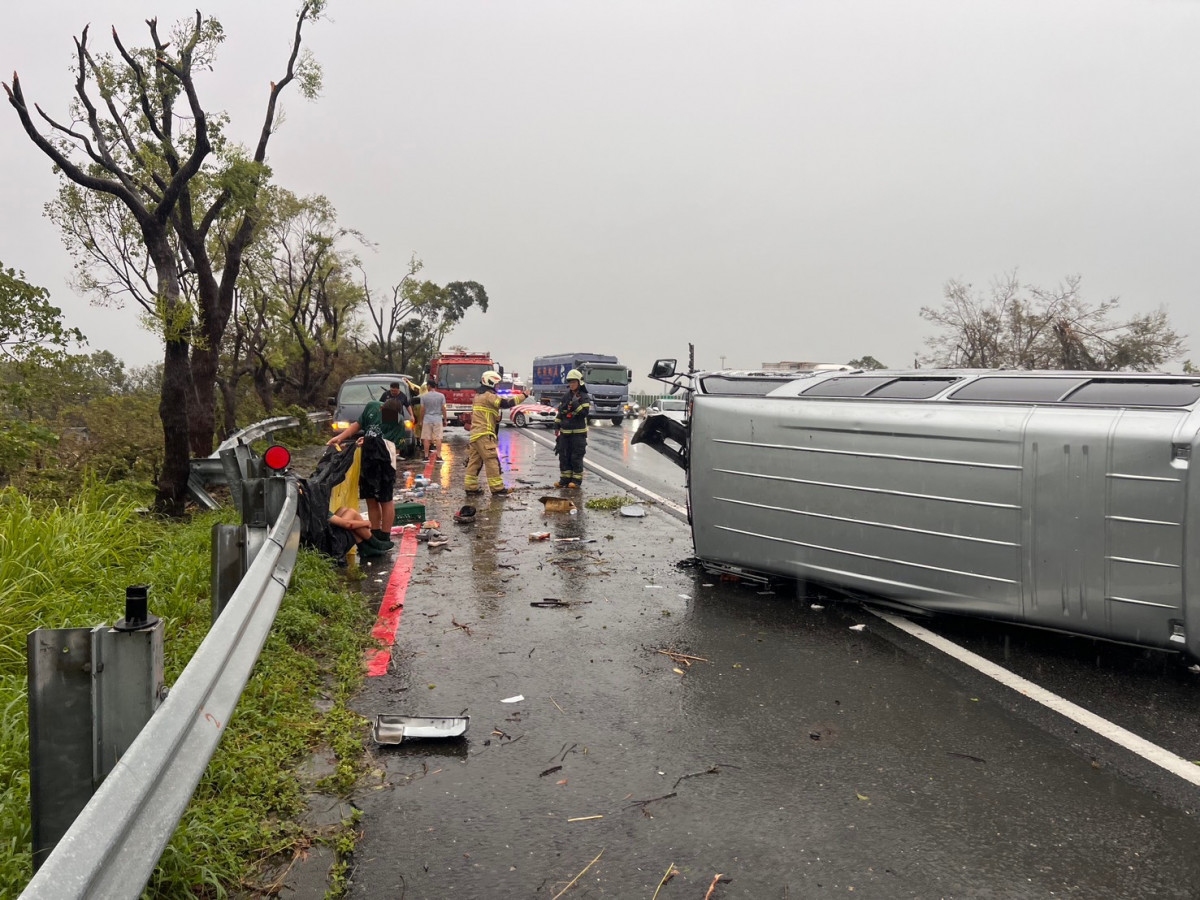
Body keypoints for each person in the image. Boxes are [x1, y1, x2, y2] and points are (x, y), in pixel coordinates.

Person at [327, 397, 404, 546]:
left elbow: (395, 448)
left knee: (385, 499)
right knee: (371, 499)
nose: (389, 419)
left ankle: (385, 535)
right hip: (368, 461)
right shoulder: (372, 408)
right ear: (381, 409)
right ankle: (374, 534)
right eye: (386, 414)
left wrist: (369, 441)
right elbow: (358, 424)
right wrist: (340, 437)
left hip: (385, 464)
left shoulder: (397, 421)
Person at [465, 370, 518, 494]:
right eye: (497, 384)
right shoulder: (489, 395)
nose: (498, 387)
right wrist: (523, 396)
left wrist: (496, 418)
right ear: (491, 382)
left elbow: (486, 414)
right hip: (484, 434)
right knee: (492, 460)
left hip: (476, 434)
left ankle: (470, 487)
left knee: (475, 462)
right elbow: (505, 403)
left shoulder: (479, 396)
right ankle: (497, 489)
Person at [555, 368, 591, 488]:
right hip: (565, 433)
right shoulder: (566, 396)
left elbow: (584, 413)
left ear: (579, 382)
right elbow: (560, 412)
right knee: (564, 456)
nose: (571, 384)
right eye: (570, 382)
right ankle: (564, 479)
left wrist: (576, 404)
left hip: (578, 433)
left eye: (573, 382)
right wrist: (557, 424)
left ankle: (576, 481)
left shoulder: (584, 397)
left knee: (576, 457)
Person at [419, 377, 447, 461]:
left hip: (427, 419)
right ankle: (438, 456)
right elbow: (443, 408)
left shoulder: (424, 397)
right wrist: (445, 419)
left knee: (426, 438)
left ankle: (426, 456)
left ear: (429, 386)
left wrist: (421, 420)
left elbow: (422, 409)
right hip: (438, 419)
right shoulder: (441, 396)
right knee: (438, 438)